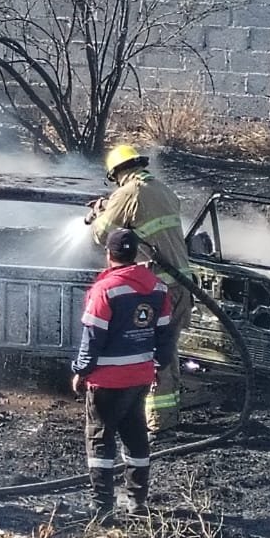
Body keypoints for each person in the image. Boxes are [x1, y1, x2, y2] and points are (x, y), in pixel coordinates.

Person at [71, 227, 176, 521]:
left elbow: (93, 337)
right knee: (136, 437)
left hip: (106, 381)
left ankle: (102, 508)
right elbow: (166, 334)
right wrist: (158, 365)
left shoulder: (106, 289)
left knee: (101, 440)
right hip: (140, 378)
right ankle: (137, 503)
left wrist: (81, 371)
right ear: (134, 254)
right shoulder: (157, 288)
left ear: (109, 254)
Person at [88, 143, 192, 434]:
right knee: (168, 353)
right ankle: (167, 418)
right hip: (182, 284)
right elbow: (145, 226)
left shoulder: (128, 192)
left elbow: (101, 235)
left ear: (116, 172)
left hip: (162, 290)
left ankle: (158, 422)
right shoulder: (163, 189)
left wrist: (101, 212)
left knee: (153, 354)